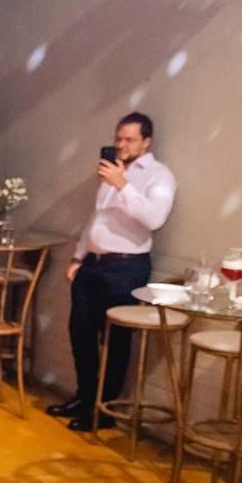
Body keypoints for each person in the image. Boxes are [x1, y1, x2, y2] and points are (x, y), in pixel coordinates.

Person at [51, 112, 176, 431]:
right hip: (92, 265)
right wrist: (78, 256)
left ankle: (104, 410)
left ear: (146, 141)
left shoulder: (159, 176)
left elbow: (154, 218)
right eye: (118, 138)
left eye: (129, 139)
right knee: (80, 333)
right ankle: (85, 397)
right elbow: (98, 218)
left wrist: (123, 185)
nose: (121, 145)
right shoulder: (112, 171)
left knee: (115, 339)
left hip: (125, 267)